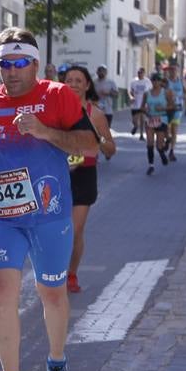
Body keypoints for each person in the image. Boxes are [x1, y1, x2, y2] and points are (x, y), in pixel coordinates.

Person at [0, 29, 99, 371]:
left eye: (18, 63)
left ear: (35, 64)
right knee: (2, 290)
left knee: (51, 293)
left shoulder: (56, 96)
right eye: (3, 64)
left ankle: (56, 366)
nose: (10, 72)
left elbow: (89, 145)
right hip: (4, 213)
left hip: (49, 212)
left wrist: (44, 131)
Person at [58, 65, 117, 294]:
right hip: (58, 173)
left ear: (87, 85)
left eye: (78, 80)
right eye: (69, 80)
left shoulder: (96, 114)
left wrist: (98, 136)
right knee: (55, 229)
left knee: (74, 230)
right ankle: (54, 272)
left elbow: (111, 150)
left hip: (84, 174)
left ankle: (71, 273)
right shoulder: (55, 111)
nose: (73, 84)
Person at [141, 72, 175, 174]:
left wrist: (163, 108)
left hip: (162, 119)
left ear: (160, 82)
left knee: (159, 145)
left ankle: (162, 154)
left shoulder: (166, 92)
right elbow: (142, 107)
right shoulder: (147, 93)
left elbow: (172, 106)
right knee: (150, 142)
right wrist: (146, 112)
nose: (155, 82)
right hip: (151, 119)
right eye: (153, 80)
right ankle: (151, 165)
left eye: (157, 80)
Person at [164, 65, 186, 161]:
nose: (173, 72)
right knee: (167, 128)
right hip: (167, 107)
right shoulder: (166, 82)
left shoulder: (181, 81)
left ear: (178, 71)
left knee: (174, 130)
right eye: (171, 70)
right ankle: (167, 140)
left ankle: (172, 151)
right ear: (169, 72)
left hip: (178, 108)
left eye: (175, 70)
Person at [127, 67, 150, 138]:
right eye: (138, 73)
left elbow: (150, 91)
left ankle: (141, 135)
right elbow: (130, 91)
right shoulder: (134, 81)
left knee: (143, 119)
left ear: (144, 73)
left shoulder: (147, 81)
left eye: (141, 73)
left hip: (144, 103)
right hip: (135, 103)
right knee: (134, 120)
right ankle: (135, 126)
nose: (139, 74)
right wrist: (131, 97)